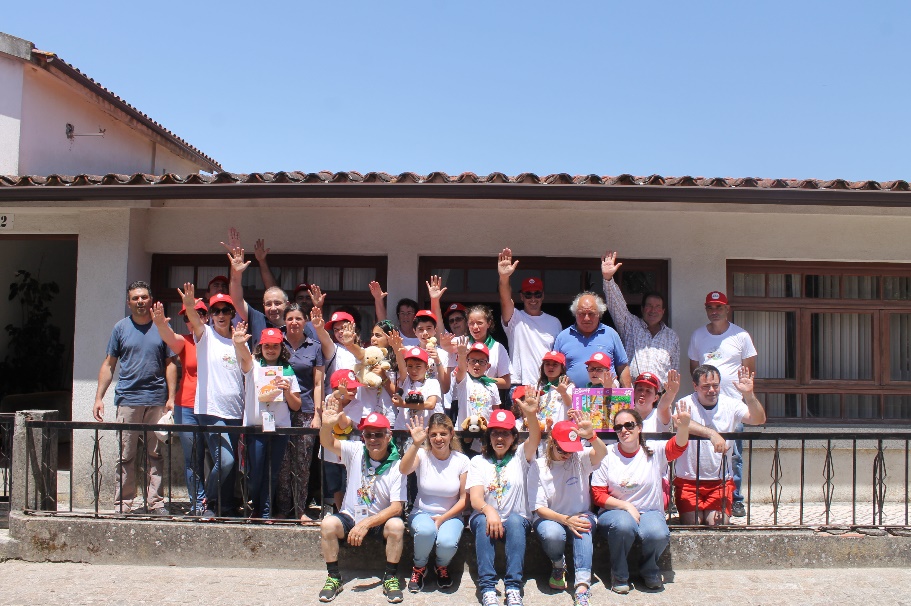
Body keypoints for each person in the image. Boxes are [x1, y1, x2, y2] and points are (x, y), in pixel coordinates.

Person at [93, 280, 176, 515]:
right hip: (128, 399)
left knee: (155, 455)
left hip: (156, 399)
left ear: (151, 300)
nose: (140, 301)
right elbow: (109, 364)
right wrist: (99, 397)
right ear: (128, 302)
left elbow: (171, 363)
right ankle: (123, 505)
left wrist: (171, 397)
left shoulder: (161, 327)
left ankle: (156, 503)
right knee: (125, 455)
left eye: (144, 297)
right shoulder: (120, 328)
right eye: (135, 298)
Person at [591, 403, 692, 594]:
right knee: (623, 525)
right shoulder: (607, 455)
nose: (624, 430)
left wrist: (684, 426)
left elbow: (678, 446)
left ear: (639, 427)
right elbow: (598, 494)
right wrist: (626, 506)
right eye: (618, 427)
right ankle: (619, 574)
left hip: (649, 511)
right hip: (615, 512)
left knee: (658, 533)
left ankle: (649, 569)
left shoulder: (653, 451)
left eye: (629, 425)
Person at [318, 408, 407, 604]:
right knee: (328, 524)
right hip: (350, 516)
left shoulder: (397, 465)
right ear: (363, 436)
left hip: (378, 520)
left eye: (378, 434)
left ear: (388, 436)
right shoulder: (356, 449)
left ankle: (390, 577)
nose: (373, 439)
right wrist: (326, 425)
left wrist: (366, 523)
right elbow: (327, 442)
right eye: (368, 434)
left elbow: (396, 508)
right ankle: (334, 577)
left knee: (397, 526)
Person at [688, 290, 758, 517]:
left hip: (732, 406)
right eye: (710, 307)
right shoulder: (698, 335)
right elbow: (695, 369)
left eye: (719, 307)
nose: (715, 311)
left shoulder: (741, 336)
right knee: (701, 451)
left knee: (733, 455)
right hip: (705, 405)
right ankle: (699, 495)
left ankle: (735, 498)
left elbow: (749, 370)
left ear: (727, 309)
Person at [467, 396, 542, 606]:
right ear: (488, 436)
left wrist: (530, 414)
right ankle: (488, 587)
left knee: (517, 522)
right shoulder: (478, 462)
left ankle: (513, 587)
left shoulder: (520, 456)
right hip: (485, 517)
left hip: (515, 519)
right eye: (495, 433)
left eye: (505, 433)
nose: (500, 438)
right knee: (482, 521)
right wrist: (488, 509)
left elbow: (535, 437)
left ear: (513, 437)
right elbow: (475, 498)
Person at [527, 413, 606, 606]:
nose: (567, 454)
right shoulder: (539, 466)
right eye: (563, 449)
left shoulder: (579, 458)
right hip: (551, 518)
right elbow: (538, 508)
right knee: (552, 534)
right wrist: (565, 519)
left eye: (571, 450)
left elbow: (602, 453)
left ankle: (582, 585)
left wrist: (592, 436)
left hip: (580, 514)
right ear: (552, 442)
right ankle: (557, 564)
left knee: (584, 525)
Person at [180, 284, 245, 519]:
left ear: (231, 314)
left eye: (224, 310)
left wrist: (240, 344)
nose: (220, 315)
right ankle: (207, 497)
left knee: (230, 464)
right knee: (225, 461)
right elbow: (195, 321)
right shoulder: (205, 335)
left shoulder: (239, 340)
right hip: (211, 410)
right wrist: (189, 305)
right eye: (215, 311)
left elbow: (246, 371)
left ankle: (223, 506)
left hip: (235, 411)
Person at [673, 365, 766, 526]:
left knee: (717, 523)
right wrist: (712, 434)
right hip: (688, 481)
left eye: (715, 385)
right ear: (695, 386)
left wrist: (749, 395)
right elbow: (680, 422)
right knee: (693, 523)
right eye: (706, 386)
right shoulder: (685, 402)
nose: (712, 390)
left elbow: (758, 419)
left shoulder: (731, 404)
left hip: (719, 481)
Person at [399, 413, 470, 593]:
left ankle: (441, 566)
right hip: (422, 512)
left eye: (443, 434)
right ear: (428, 435)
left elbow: (464, 499)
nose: (438, 439)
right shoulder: (422, 454)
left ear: (451, 434)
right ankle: (419, 567)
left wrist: (442, 518)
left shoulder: (461, 461)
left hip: (451, 514)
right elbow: (404, 469)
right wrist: (415, 444)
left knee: (446, 543)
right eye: (434, 435)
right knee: (426, 531)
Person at [236, 325, 301, 520]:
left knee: (272, 473)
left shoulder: (288, 371)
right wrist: (239, 343)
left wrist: (287, 390)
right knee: (256, 472)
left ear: (282, 348)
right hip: (256, 427)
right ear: (260, 347)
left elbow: (296, 406)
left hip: (279, 428)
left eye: (275, 346)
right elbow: (245, 358)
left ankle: (264, 512)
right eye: (266, 346)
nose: (271, 349)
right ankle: (257, 505)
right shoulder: (254, 366)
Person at [151, 298, 208, 515]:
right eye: (186, 316)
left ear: (207, 316)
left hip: (213, 407)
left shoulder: (217, 339)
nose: (193, 319)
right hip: (187, 406)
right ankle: (198, 503)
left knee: (220, 459)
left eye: (199, 313)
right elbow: (170, 339)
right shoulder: (186, 341)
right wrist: (161, 324)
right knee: (193, 458)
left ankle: (214, 499)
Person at [600, 250, 679, 384]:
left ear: (663, 311)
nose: (653, 310)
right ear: (642, 309)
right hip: (632, 395)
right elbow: (617, 306)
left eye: (657, 306)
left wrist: (669, 398)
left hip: (659, 399)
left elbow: (674, 372)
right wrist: (608, 279)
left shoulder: (672, 336)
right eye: (649, 305)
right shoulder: (630, 325)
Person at [497, 248, 563, 386]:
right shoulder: (515, 317)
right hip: (520, 385)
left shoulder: (554, 322)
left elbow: (558, 356)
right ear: (521, 297)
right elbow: (505, 299)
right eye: (528, 294)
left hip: (547, 386)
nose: (533, 298)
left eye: (537, 294)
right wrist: (504, 278)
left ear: (543, 295)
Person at [554, 292, 631, 389]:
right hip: (571, 400)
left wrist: (628, 397)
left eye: (591, 313)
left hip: (605, 400)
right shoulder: (563, 337)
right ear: (575, 314)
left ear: (599, 314)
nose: (586, 318)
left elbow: (622, 367)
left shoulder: (611, 334)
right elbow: (554, 367)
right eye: (582, 313)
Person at [453, 340, 501, 435]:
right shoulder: (464, 380)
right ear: (467, 362)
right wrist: (462, 355)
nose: (477, 364)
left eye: (482, 361)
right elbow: (461, 369)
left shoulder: (492, 385)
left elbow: (496, 410)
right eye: (473, 360)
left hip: (485, 432)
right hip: (465, 432)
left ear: (488, 366)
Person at [466, 305, 511, 390]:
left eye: (479, 323)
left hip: (487, 399)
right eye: (471, 323)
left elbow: (506, 382)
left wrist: (482, 379)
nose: (475, 327)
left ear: (488, 323)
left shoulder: (498, 348)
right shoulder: (460, 343)